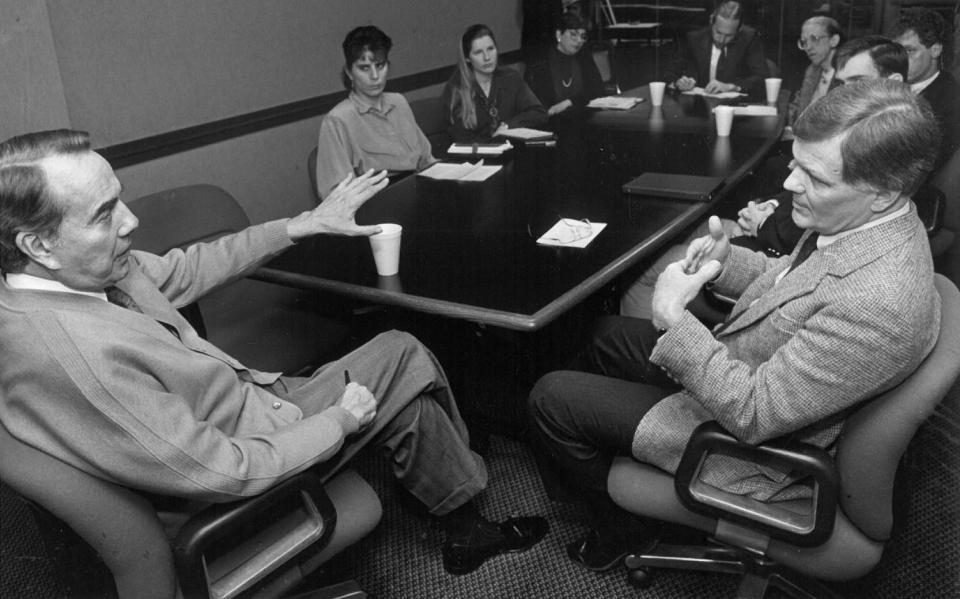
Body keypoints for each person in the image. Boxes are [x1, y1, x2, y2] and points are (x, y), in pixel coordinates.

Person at [0, 130, 548, 576]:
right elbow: (219, 474)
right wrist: (338, 420)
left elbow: (189, 267)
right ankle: (466, 487)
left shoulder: (80, 277)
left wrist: (301, 225)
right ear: (38, 245)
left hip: (253, 402)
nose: (130, 222)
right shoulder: (75, 356)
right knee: (404, 351)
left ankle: (461, 522)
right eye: (104, 213)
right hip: (244, 468)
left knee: (403, 390)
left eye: (120, 197)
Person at [530, 79, 941, 571]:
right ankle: (603, 446)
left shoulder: (879, 302)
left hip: (748, 446)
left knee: (549, 399)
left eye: (815, 177)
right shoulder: (868, 226)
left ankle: (622, 525)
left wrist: (671, 319)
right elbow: (791, 282)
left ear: (883, 192)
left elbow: (754, 414)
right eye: (795, 163)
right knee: (603, 335)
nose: (789, 184)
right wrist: (727, 262)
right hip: (747, 367)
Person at [621, 35, 911, 320]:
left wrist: (764, 223)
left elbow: (808, 251)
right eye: (842, 83)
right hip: (776, 254)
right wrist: (767, 211)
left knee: (636, 286)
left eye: (857, 83)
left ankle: (640, 344)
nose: (844, 94)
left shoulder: (883, 154)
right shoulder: (876, 140)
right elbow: (802, 260)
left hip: (770, 256)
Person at [314, 26, 435, 200]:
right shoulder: (338, 120)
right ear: (349, 72)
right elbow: (337, 195)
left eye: (380, 65)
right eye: (364, 68)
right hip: (376, 204)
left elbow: (427, 160)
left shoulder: (399, 102)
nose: (375, 75)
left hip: (419, 191)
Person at [442, 24, 548, 143]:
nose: (487, 57)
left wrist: (507, 126)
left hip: (511, 152)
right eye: (478, 52)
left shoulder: (510, 78)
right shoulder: (456, 89)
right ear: (467, 58)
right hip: (475, 157)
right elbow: (460, 139)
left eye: (490, 49)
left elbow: (539, 113)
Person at [888, 7, 960, 172]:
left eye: (909, 50)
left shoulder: (951, 102)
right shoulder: (886, 84)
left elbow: (919, 167)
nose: (900, 60)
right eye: (897, 51)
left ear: (935, 50)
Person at [663, 0, 767, 97]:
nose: (721, 40)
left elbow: (762, 78)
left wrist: (732, 87)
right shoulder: (694, 38)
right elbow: (669, 73)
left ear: (739, 29)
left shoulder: (749, 38)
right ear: (711, 21)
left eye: (729, 35)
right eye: (718, 32)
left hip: (734, 108)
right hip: (699, 108)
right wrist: (679, 82)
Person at [525, 12, 604, 119]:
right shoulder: (541, 61)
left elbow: (597, 89)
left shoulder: (584, 56)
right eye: (573, 34)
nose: (579, 40)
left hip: (582, 116)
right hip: (551, 120)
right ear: (559, 35)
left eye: (583, 36)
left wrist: (569, 102)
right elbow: (536, 102)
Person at [787, 16, 842, 126]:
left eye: (815, 39)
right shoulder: (812, 70)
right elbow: (799, 109)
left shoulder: (845, 74)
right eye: (804, 42)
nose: (808, 47)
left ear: (833, 40)